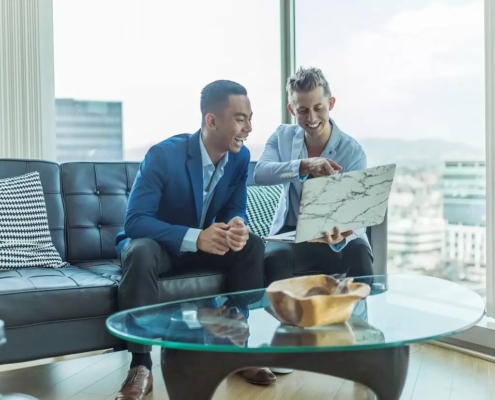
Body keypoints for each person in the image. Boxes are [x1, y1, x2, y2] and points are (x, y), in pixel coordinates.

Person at [114, 80, 271, 400]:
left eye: (250, 117)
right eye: (241, 118)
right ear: (212, 121)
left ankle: (234, 341)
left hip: (204, 243)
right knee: (140, 252)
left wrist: (237, 225)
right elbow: (135, 222)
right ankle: (140, 366)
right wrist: (195, 237)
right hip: (161, 245)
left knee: (252, 244)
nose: (249, 127)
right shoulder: (163, 155)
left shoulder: (240, 158)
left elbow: (234, 207)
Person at [254, 66, 374, 286]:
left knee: (359, 253)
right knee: (274, 258)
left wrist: (342, 233)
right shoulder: (282, 137)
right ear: (292, 109)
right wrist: (303, 166)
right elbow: (261, 173)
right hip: (291, 235)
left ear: (331, 104)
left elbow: (358, 213)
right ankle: (285, 320)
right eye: (303, 110)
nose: (312, 118)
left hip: (338, 236)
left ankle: (359, 319)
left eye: (319, 108)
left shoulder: (352, 151)